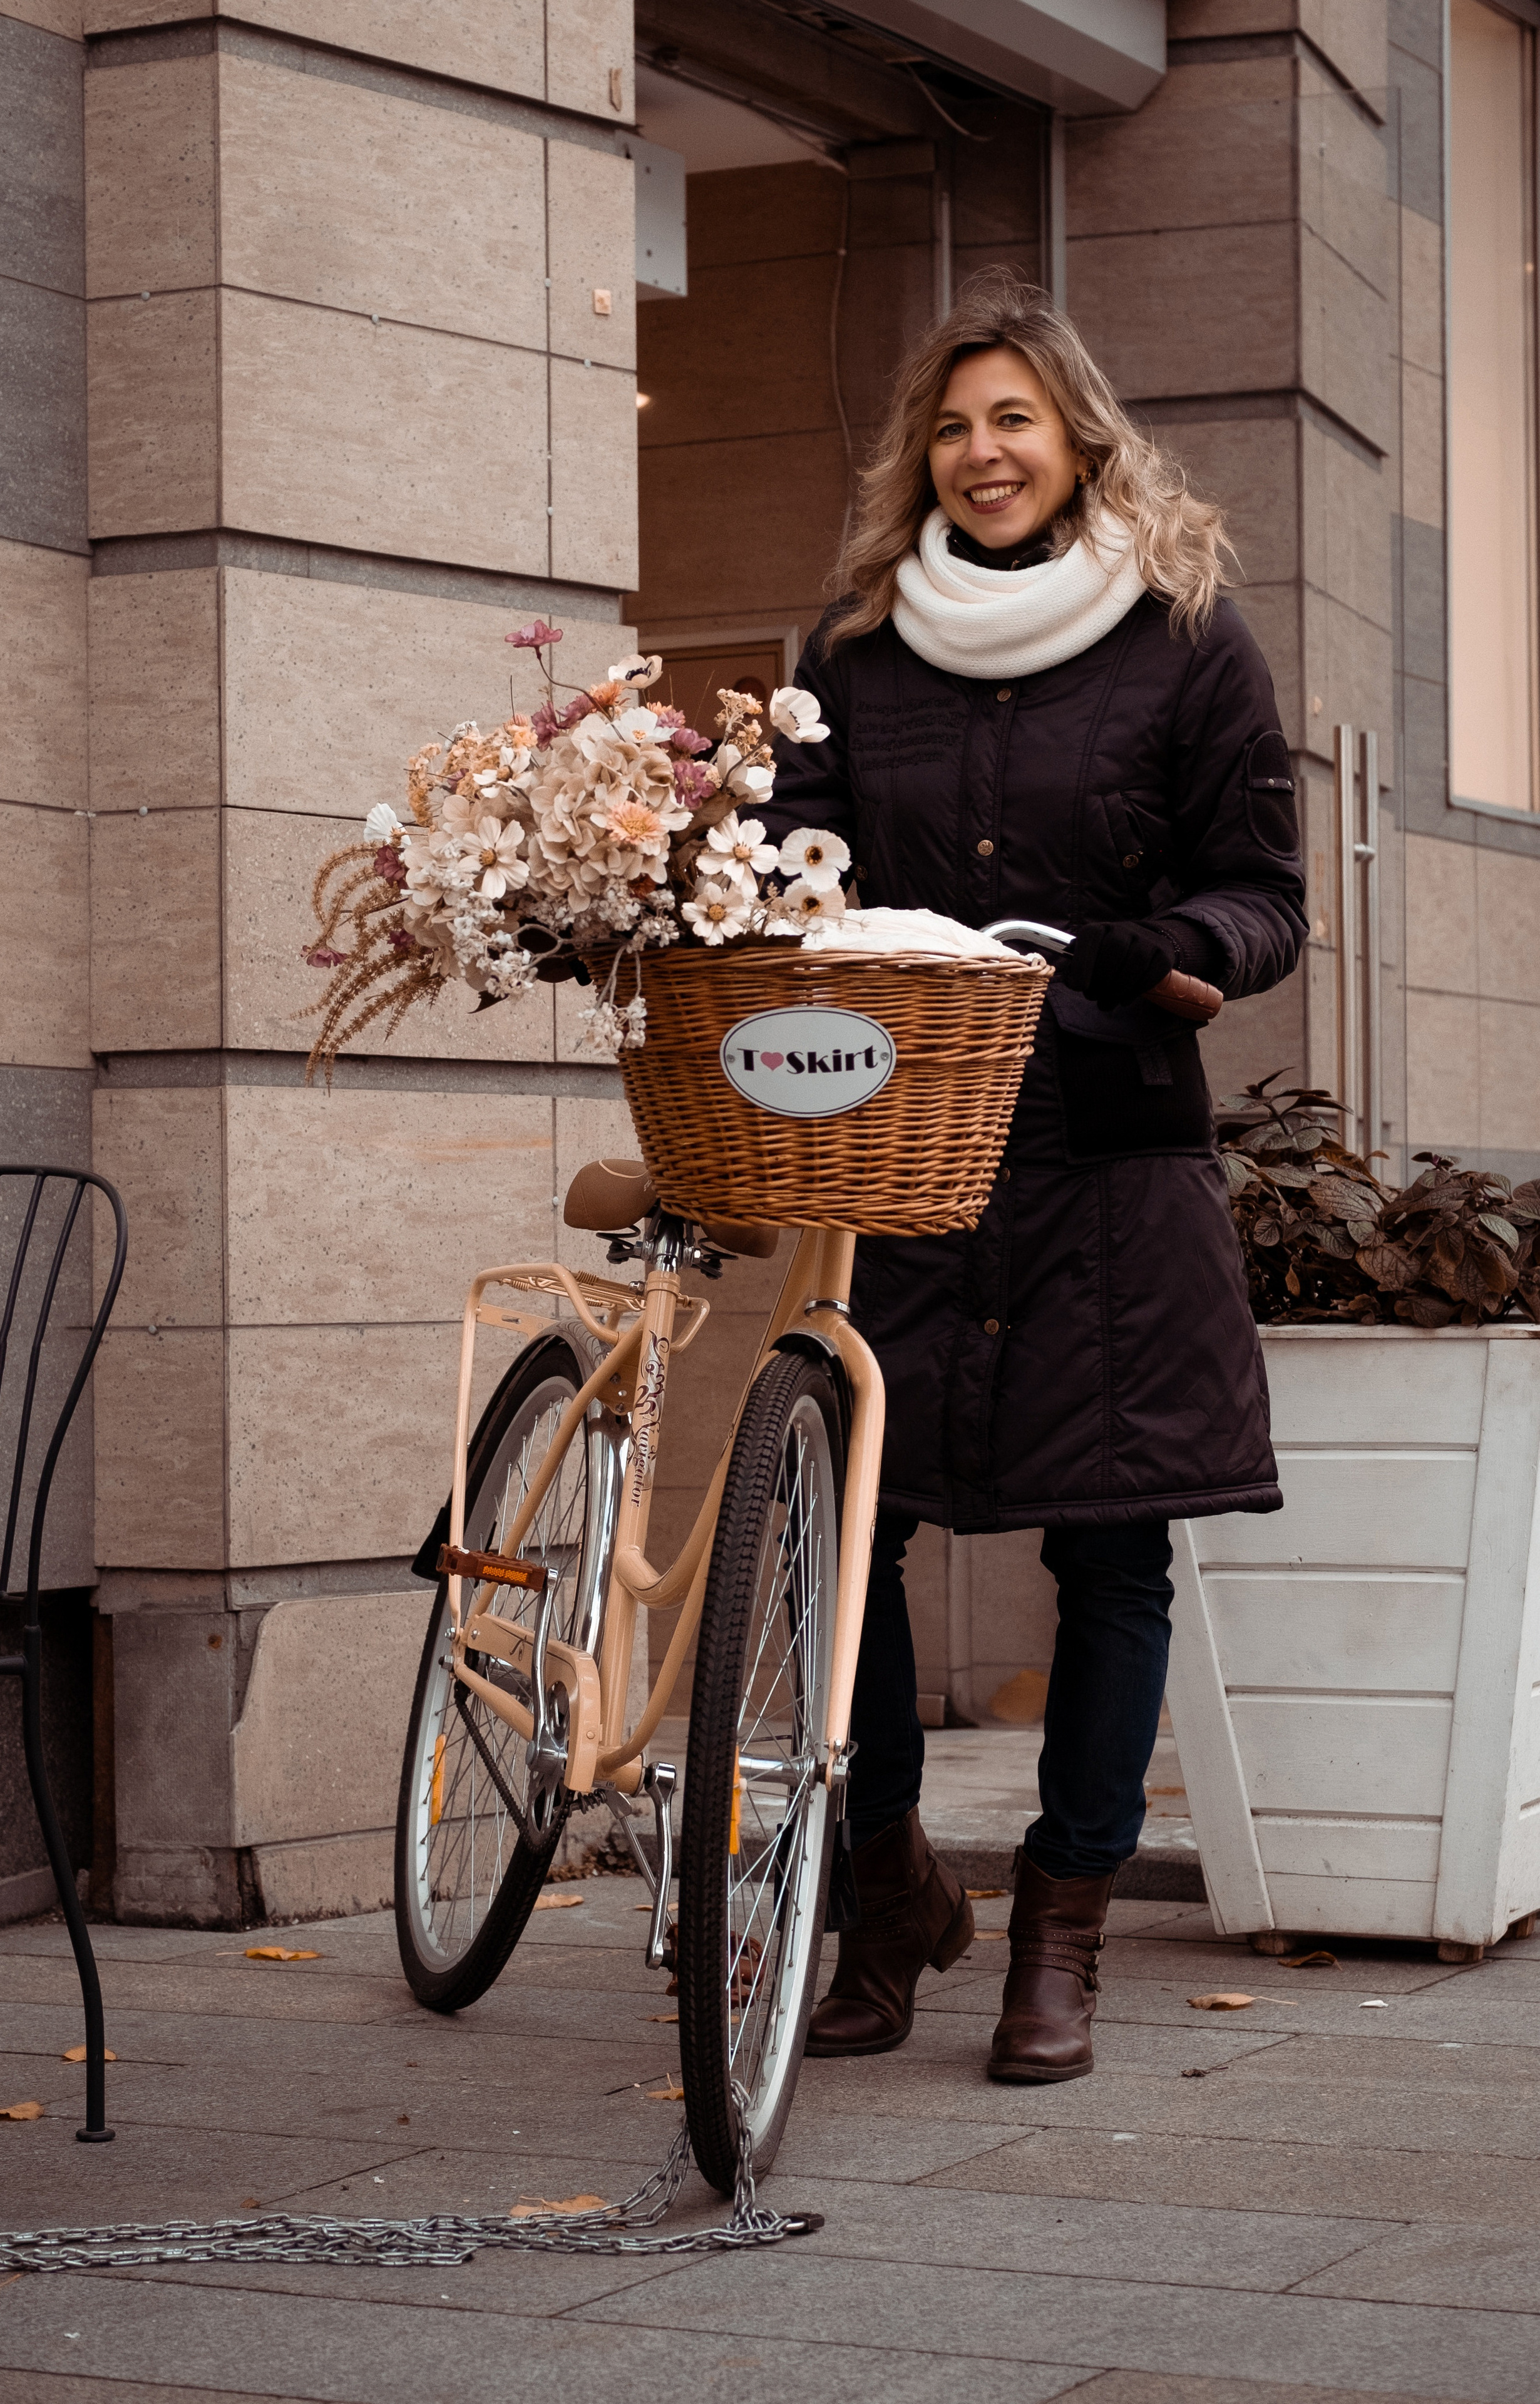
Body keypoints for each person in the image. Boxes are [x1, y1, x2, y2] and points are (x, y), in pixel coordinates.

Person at [762, 268, 1306, 2083]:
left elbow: (1265, 899)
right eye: (950, 422)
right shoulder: (848, 648)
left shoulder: (1189, 635)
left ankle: (1060, 1940)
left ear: (1079, 435)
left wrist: (1166, 953)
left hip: (1107, 1153)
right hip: (907, 1142)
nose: (981, 451)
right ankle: (887, 1899)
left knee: (1116, 1551)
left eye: (1012, 418)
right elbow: (793, 866)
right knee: (854, 1539)